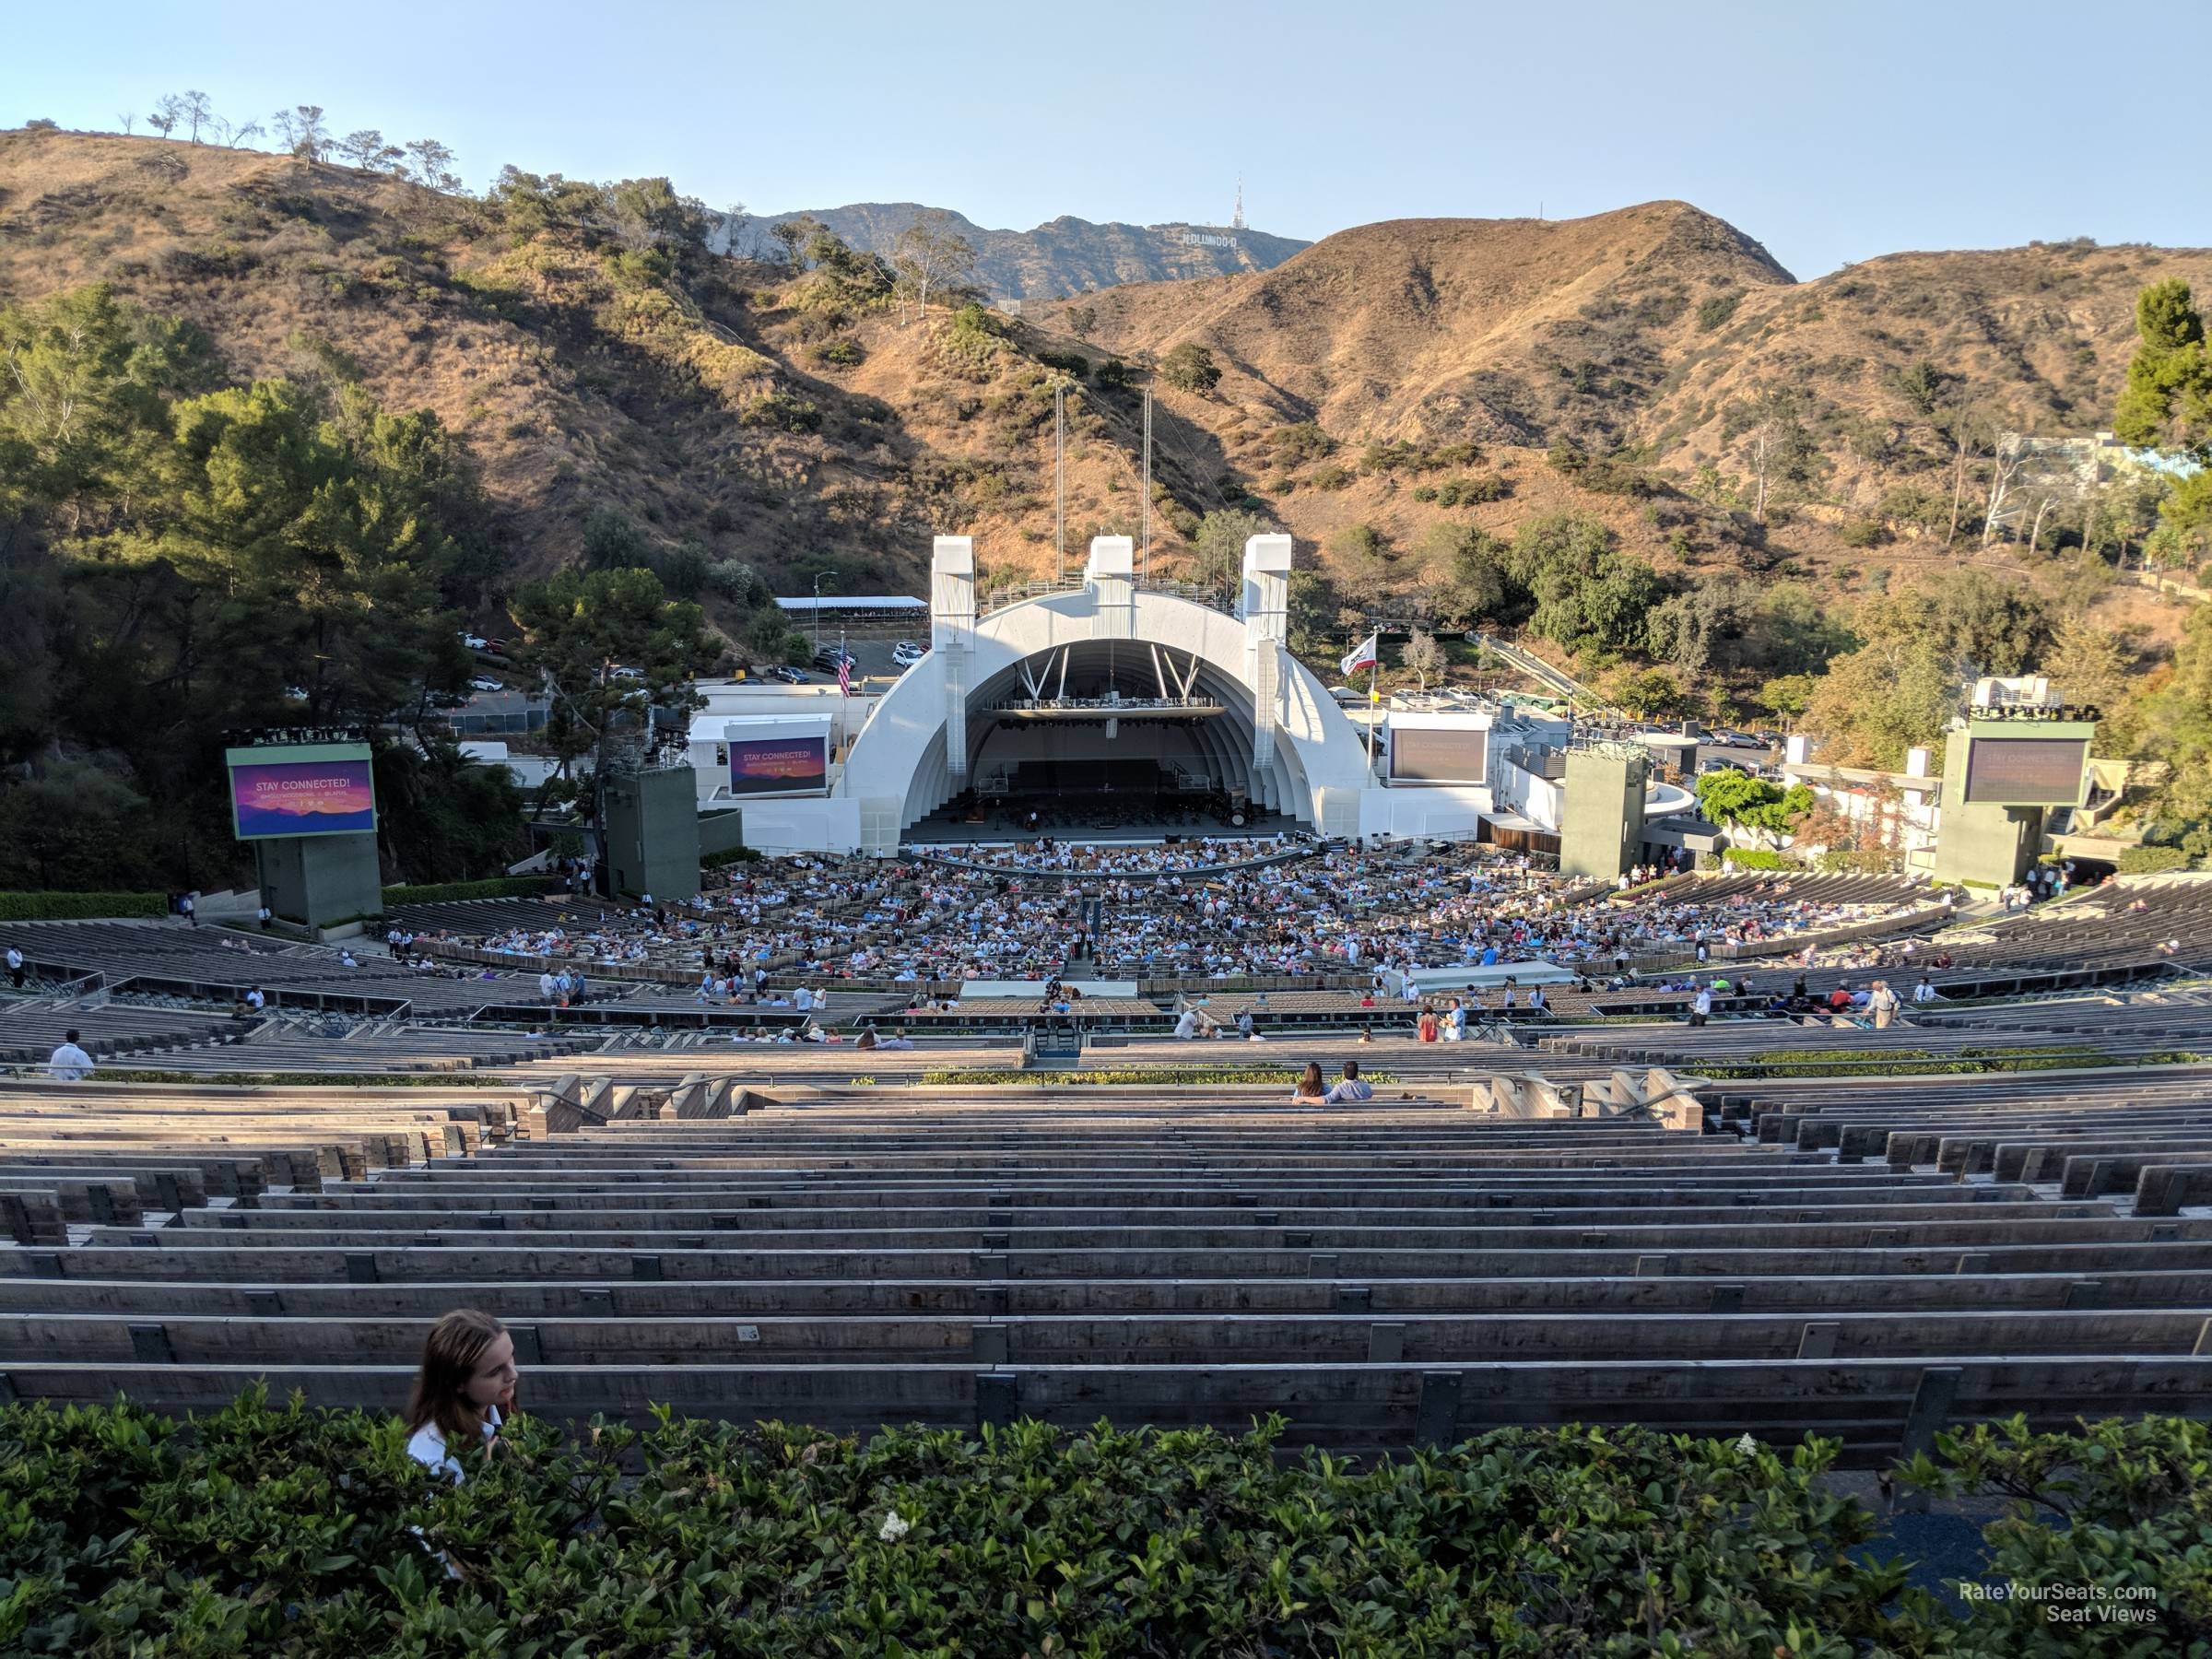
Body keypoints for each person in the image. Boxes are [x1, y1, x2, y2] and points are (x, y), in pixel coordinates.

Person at [405, 1310, 518, 1484]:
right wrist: (486, 1476)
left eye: (511, 1358)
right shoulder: (433, 1459)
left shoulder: (500, 1411)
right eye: (495, 1371)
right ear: (458, 1383)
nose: (513, 1374)